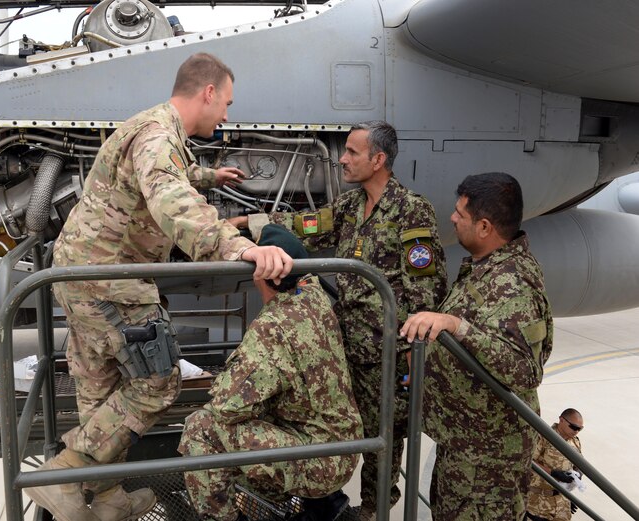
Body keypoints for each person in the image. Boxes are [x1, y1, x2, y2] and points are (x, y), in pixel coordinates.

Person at [27, 53, 294, 521]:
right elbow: (168, 196)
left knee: (100, 383)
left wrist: (210, 176)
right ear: (207, 93)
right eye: (226, 102)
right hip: (111, 279)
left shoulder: (150, 127)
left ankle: (107, 497)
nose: (227, 114)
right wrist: (235, 247)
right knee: (156, 381)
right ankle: (68, 474)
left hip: (80, 272)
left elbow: (161, 174)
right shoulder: (158, 135)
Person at [230, 121, 448, 518]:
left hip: (387, 356)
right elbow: (306, 226)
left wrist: (415, 354)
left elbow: (426, 290)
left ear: (378, 160)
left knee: (384, 441)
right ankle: (331, 505)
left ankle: (374, 509)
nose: (342, 160)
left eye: (352, 152)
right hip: (348, 350)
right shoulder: (351, 206)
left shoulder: (411, 211)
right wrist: (247, 224)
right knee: (343, 435)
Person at [178, 224, 363, 521]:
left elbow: (226, 406)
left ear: (260, 275)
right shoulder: (311, 295)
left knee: (201, 430)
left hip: (319, 462)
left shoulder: (274, 327)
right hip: (342, 447)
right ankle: (325, 508)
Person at [401, 172, 554, 520]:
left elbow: (526, 370)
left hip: (488, 466)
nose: (452, 218)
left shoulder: (513, 284)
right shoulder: (486, 268)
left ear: (484, 227)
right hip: (466, 445)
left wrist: (456, 326)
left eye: (460, 214)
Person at [525, 409, 585, 521]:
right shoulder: (544, 436)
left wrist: (579, 475)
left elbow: (580, 463)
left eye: (580, 428)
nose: (576, 431)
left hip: (562, 503)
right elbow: (528, 462)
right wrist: (553, 473)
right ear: (561, 420)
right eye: (573, 427)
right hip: (538, 502)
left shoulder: (575, 441)